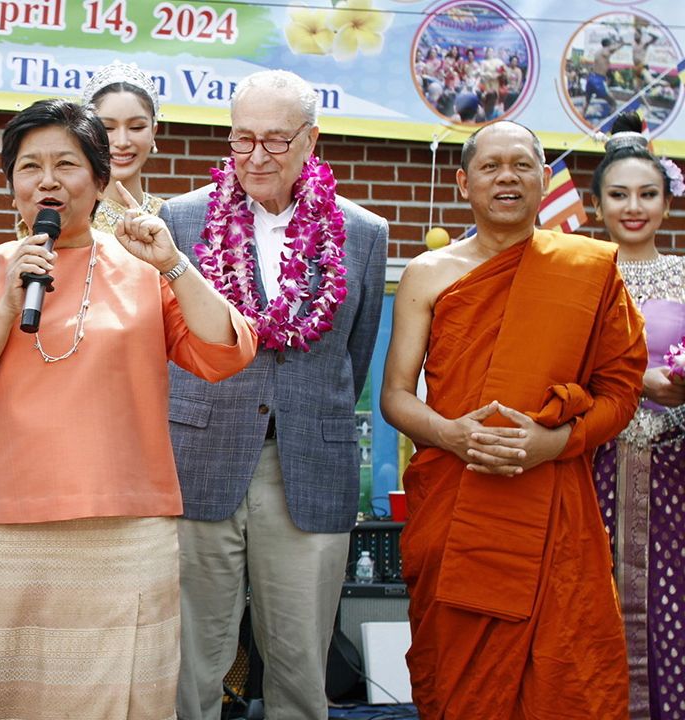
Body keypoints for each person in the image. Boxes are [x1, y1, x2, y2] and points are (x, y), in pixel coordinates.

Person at [0, 98, 256, 720]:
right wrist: (3, 310)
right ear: (11, 182)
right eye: (28, 166)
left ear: (100, 179)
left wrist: (174, 264)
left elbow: (224, 352)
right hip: (4, 530)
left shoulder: (145, 264)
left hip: (122, 528)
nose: (46, 180)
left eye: (66, 164)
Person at [380, 120, 644, 716]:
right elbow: (396, 395)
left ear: (544, 179)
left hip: (554, 502)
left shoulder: (587, 268)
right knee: (461, 680)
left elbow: (621, 393)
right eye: (491, 166)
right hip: (458, 496)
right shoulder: (428, 273)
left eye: (523, 165)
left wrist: (555, 443)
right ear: (463, 183)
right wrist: (450, 433)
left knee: (567, 670)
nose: (508, 177)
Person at [164, 69, 387, 720]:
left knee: (298, 671)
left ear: (311, 141)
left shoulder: (363, 233)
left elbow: (356, 352)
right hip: (201, 460)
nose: (256, 157)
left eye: (275, 140)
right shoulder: (181, 219)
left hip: (306, 468)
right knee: (190, 666)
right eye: (242, 140)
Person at [589, 115, 684, 720]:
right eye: (619, 194)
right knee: (590, 597)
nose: (633, 206)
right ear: (597, 203)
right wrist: (630, 383)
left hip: (676, 467)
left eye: (647, 193)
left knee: (675, 597)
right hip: (591, 462)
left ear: (667, 201)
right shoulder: (575, 272)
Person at [80, 61, 164, 233]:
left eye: (136, 127)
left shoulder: (174, 218)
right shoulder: (72, 220)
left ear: (153, 132)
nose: (122, 142)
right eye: (108, 128)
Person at [582, 37, 625, 119]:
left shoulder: (598, 52)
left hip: (591, 78)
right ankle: (610, 120)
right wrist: (622, 43)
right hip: (598, 79)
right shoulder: (606, 50)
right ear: (608, 45)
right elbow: (615, 47)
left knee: (587, 101)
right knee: (613, 102)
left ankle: (582, 116)